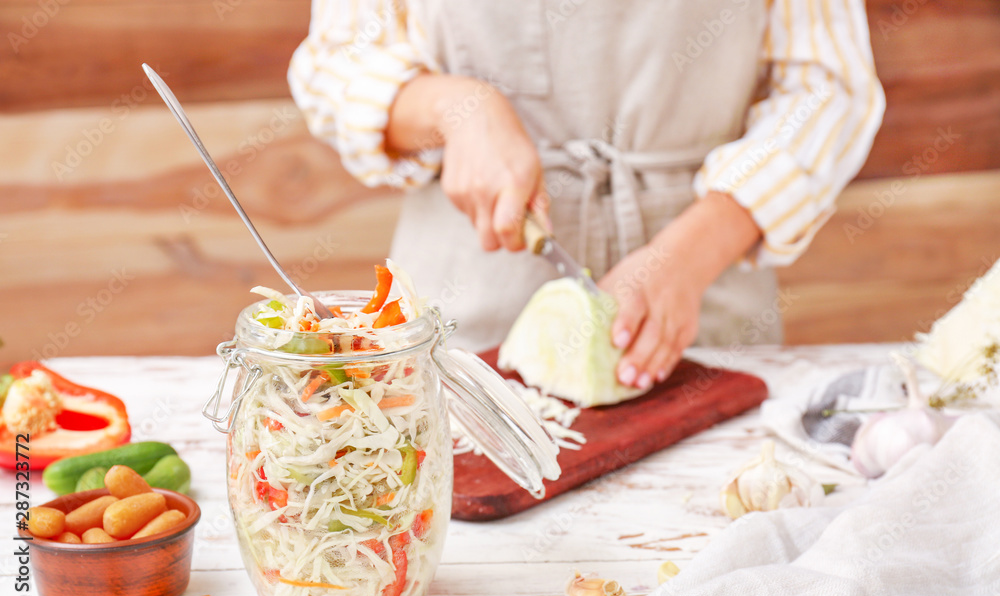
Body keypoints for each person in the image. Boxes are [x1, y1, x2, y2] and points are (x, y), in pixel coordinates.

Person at [288, 0, 884, 390]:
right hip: (458, 322)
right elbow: (334, 61)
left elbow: (828, 88)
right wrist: (455, 109)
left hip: (711, 318)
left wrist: (694, 253)